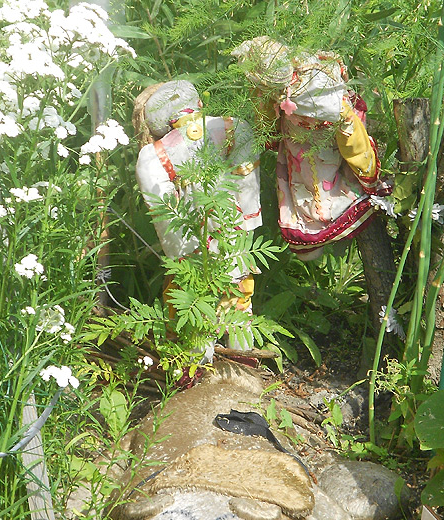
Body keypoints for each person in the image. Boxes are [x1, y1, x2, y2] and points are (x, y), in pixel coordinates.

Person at [232, 37, 394, 261]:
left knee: (317, 192)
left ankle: (321, 232)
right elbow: (265, 116)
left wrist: (367, 171)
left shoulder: (317, 96)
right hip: (297, 144)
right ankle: (309, 238)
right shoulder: (282, 85)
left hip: (321, 145)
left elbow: (349, 129)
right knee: (300, 186)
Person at [133, 80, 262, 352]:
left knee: (191, 300)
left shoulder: (153, 155)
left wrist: (181, 254)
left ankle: (196, 360)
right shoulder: (233, 127)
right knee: (238, 291)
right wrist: (248, 224)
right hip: (231, 229)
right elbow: (247, 182)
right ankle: (243, 356)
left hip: (193, 234)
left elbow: (164, 212)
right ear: (199, 103)